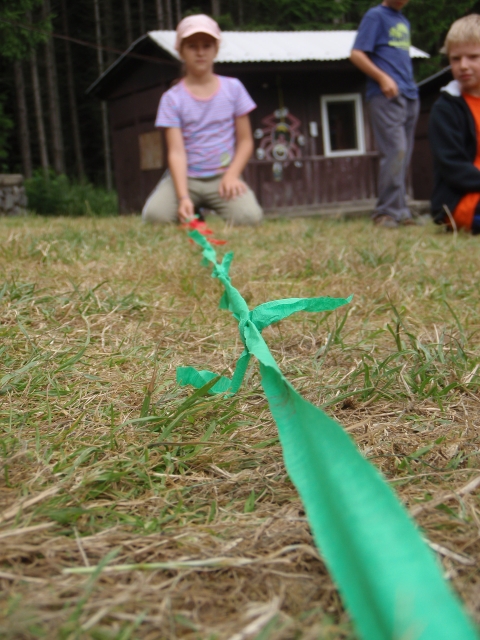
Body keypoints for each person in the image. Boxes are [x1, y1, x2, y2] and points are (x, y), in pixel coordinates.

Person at [142, 14, 263, 226]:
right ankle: (191, 210)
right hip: (186, 178)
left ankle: (209, 204)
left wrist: (232, 175)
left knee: (249, 218)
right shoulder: (172, 98)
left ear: (216, 49)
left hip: (223, 176)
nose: (200, 52)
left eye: (206, 45)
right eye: (192, 46)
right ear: (180, 51)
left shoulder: (234, 89)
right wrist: (183, 197)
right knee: (155, 217)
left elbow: (245, 141)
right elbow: (176, 152)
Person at [350, 0, 419, 228]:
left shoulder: (403, 21)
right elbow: (357, 54)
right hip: (386, 95)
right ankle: (385, 213)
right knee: (395, 151)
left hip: (409, 94)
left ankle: (401, 211)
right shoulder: (375, 15)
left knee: (403, 156)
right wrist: (382, 78)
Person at [428, 15, 480, 234]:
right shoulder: (445, 109)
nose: (463, 66)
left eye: (473, 57)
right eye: (455, 59)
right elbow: (453, 168)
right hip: (461, 199)